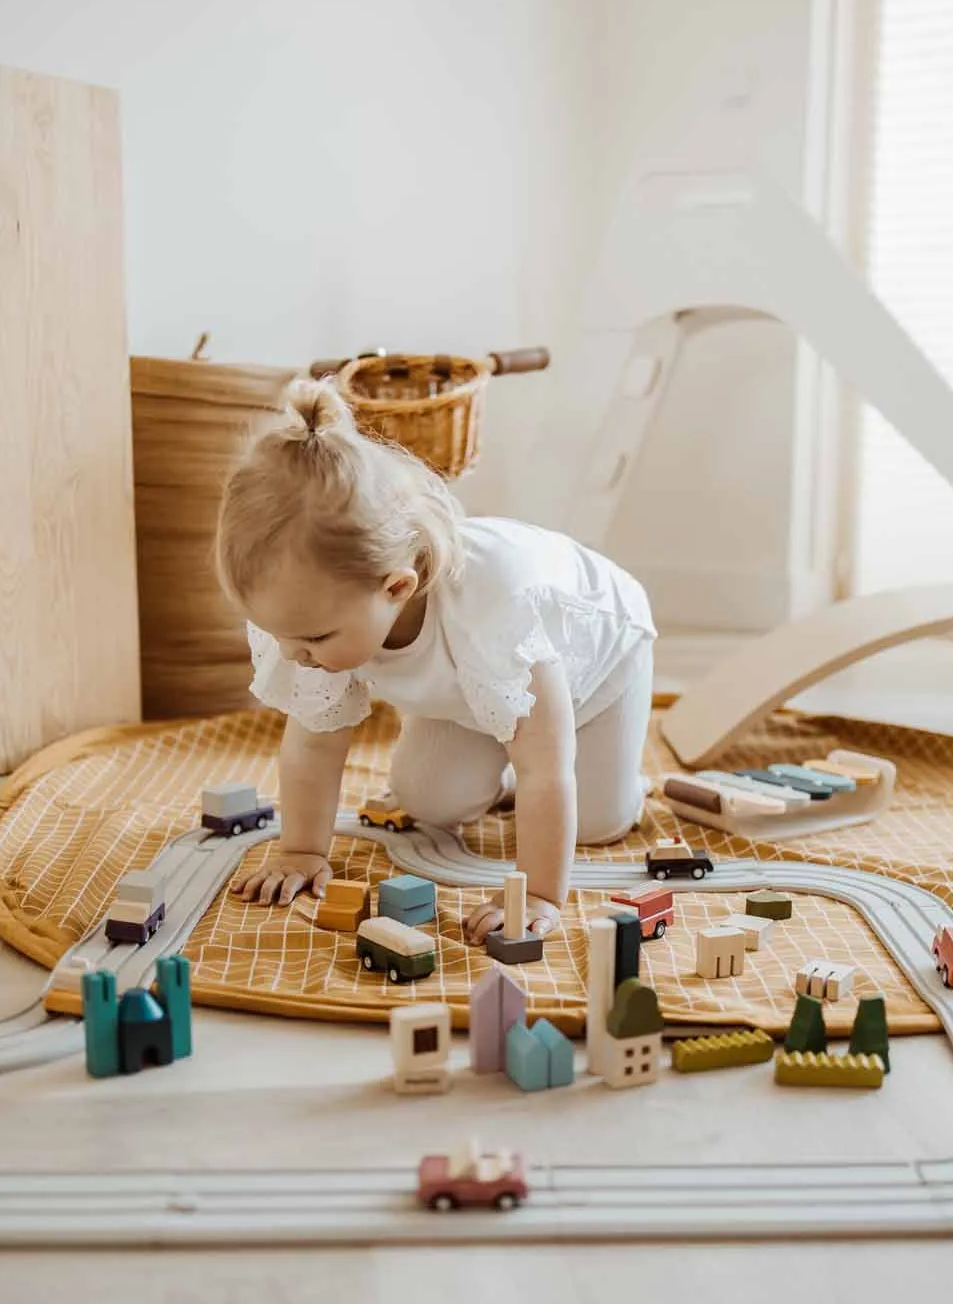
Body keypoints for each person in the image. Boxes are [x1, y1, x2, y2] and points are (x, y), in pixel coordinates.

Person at [215, 376, 655, 945]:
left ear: (397, 588)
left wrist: (539, 894)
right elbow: (313, 745)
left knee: (596, 822)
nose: (295, 655)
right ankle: (499, 753)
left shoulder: (497, 611)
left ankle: (620, 777)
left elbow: (546, 769)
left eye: (314, 639)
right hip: (469, 695)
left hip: (596, 670)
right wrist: (300, 850)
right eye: (280, 634)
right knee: (427, 801)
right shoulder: (321, 616)